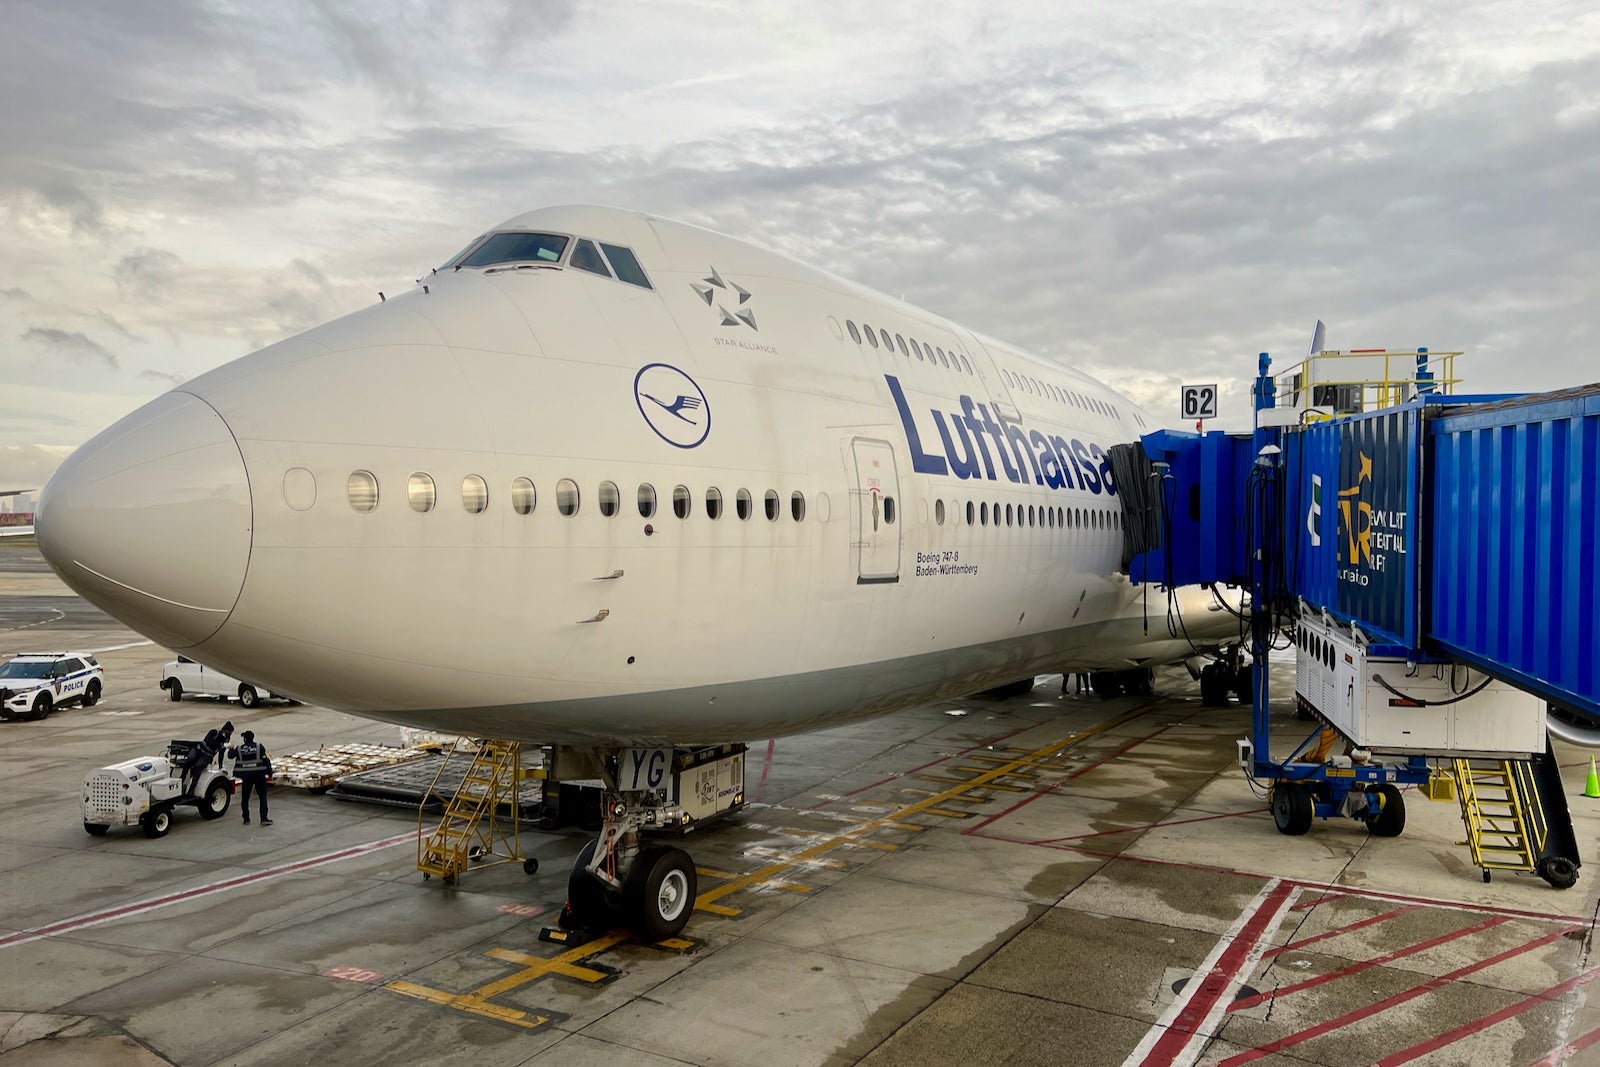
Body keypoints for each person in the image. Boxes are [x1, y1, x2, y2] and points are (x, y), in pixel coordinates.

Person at [228, 729, 272, 826]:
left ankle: (246, 819)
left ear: (244, 739)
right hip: (259, 776)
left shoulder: (239, 749)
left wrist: (231, 748)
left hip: (246, 777)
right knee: (262, 797)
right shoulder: (259, 747)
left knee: (245, 798)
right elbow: (266, 760)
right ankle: (263, 818)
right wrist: (270, 773)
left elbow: (230, 756)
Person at [182, 721, 233, 795]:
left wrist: (221, 766)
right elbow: (210, 742)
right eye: (229, 732)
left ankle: (192, 789)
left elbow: (221, 753)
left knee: (198, 767)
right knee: (189, 760)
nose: (230, 734)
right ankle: (181, 781)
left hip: (207, 756)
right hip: (199, 750)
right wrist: (222, 744)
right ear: (225, 730)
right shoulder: (214, 732)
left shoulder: (226, 739)